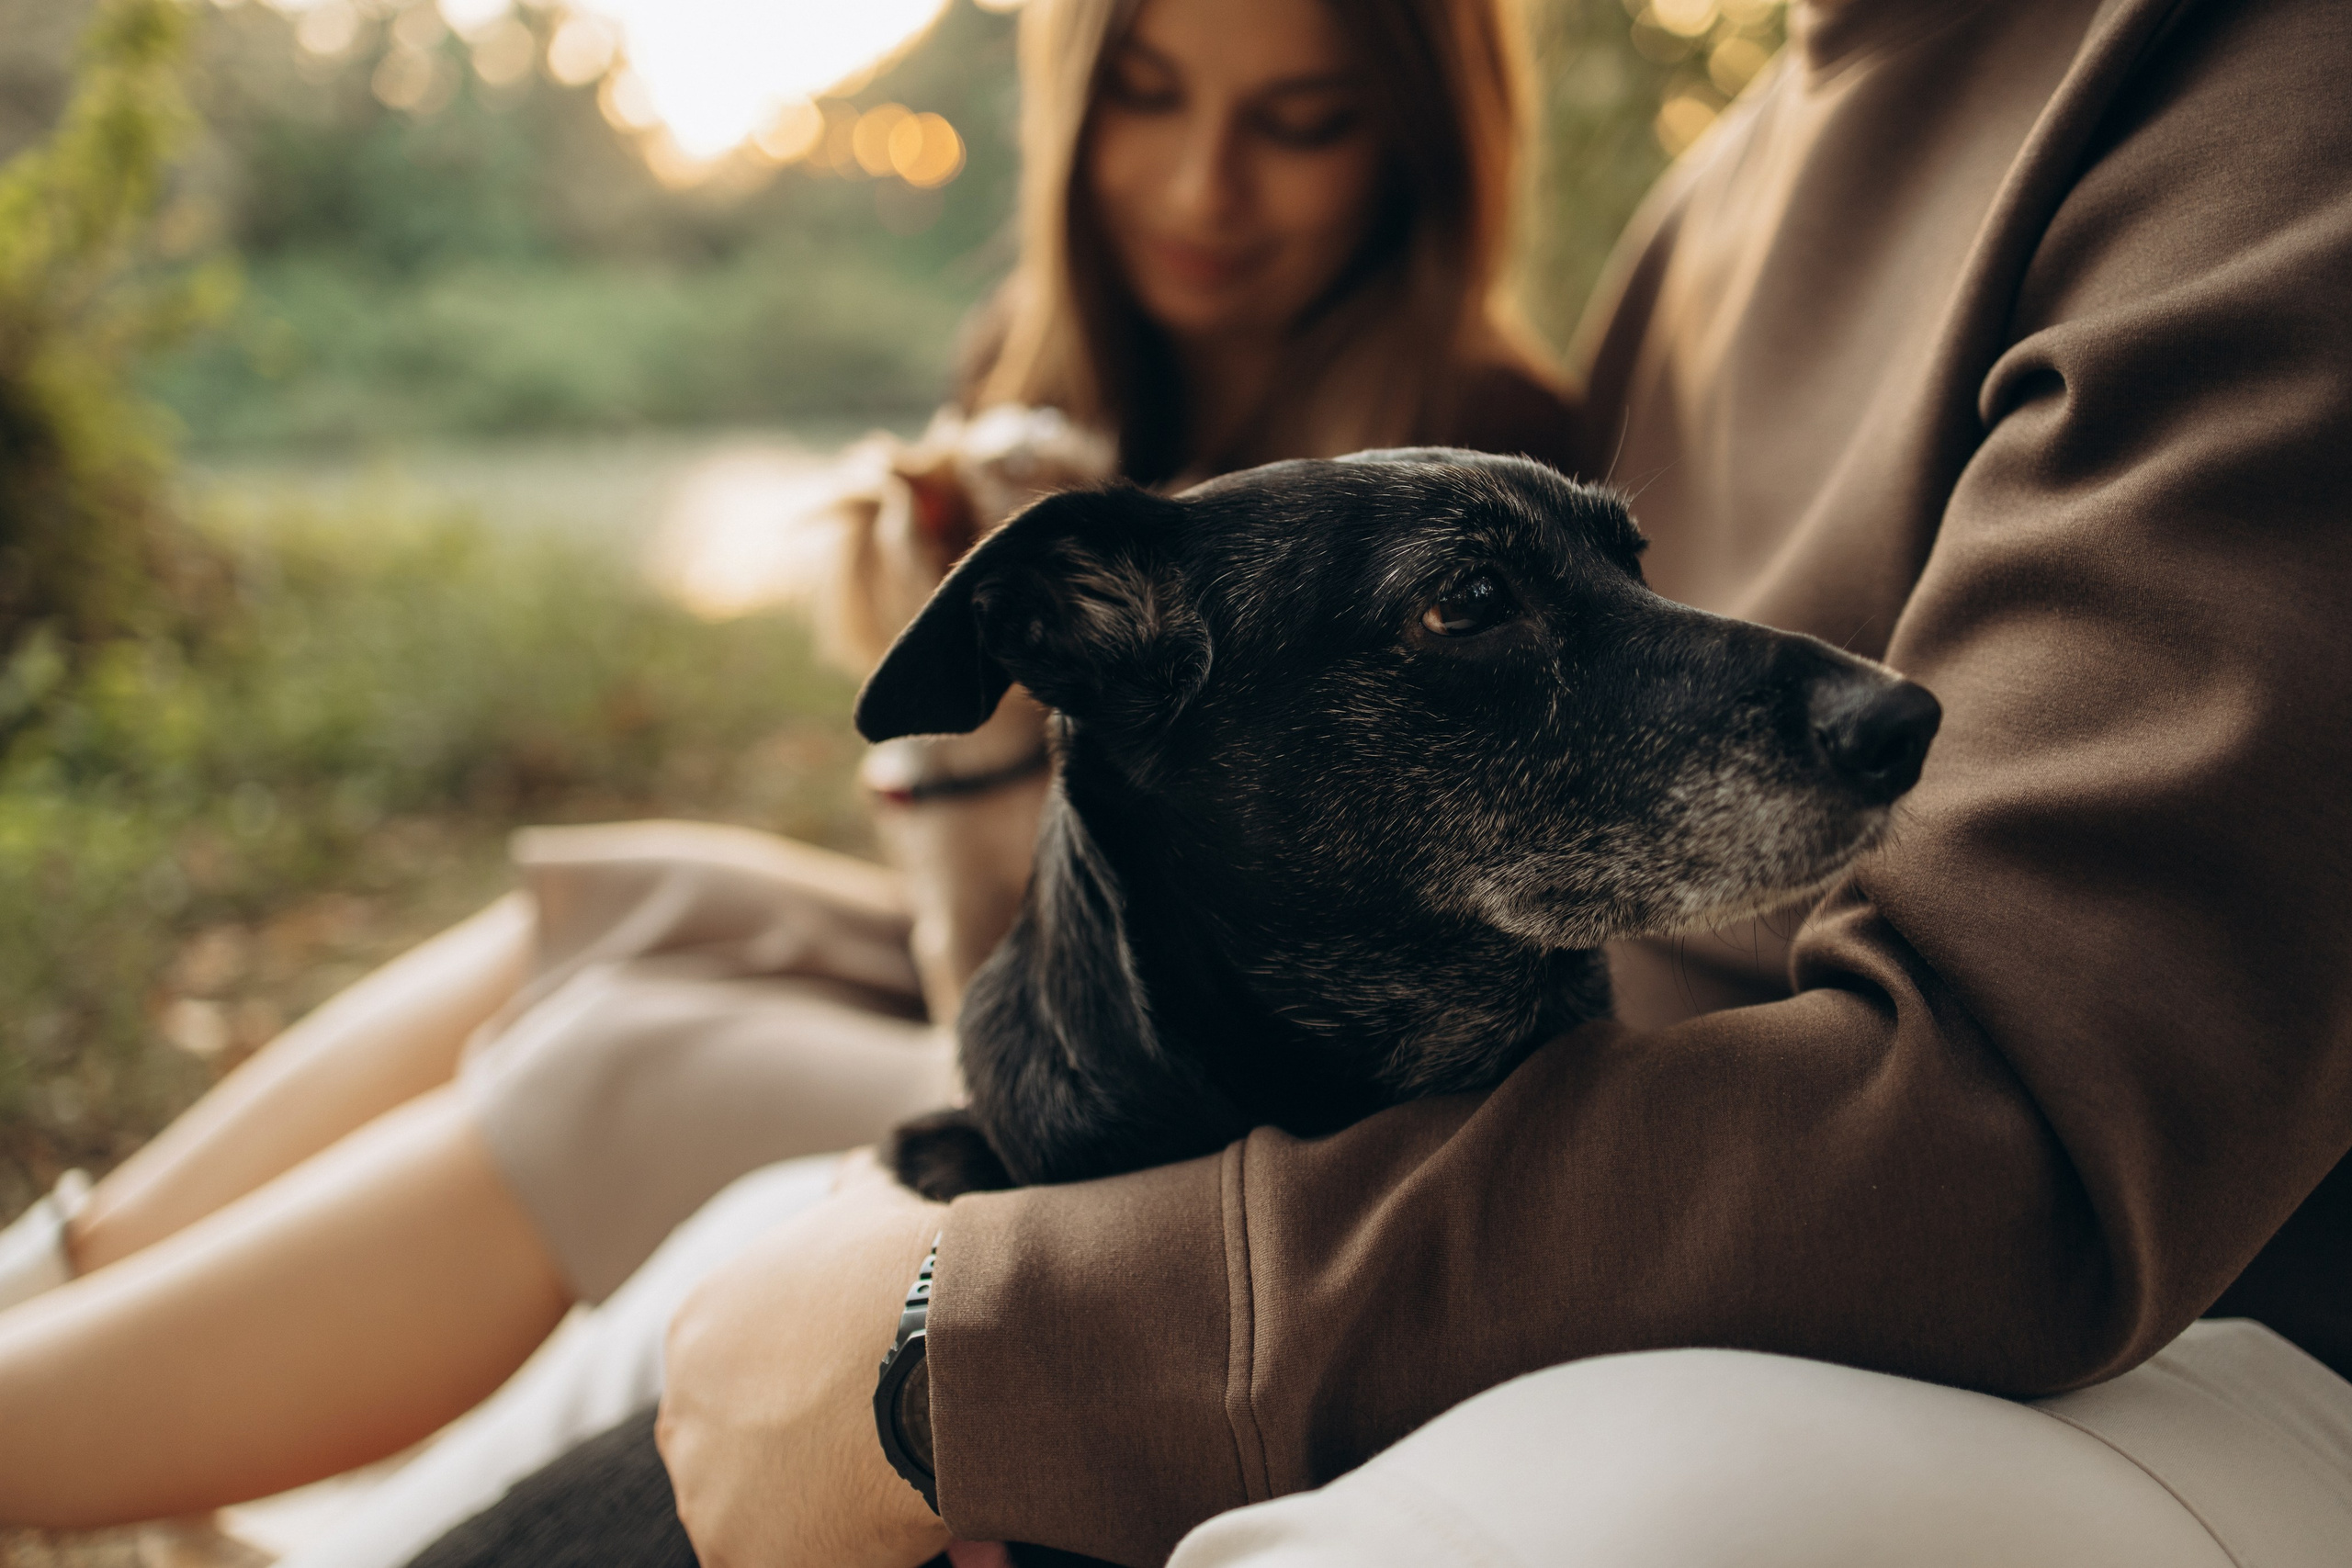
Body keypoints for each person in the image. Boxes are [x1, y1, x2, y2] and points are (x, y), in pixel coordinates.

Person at [648, 0, 2352, 1564]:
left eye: (1297, 115)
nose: (1204, 185)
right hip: (1594, 1195)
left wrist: (987, 1346)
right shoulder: (1726, 172)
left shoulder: (2269, 102)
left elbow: (2022, 1142)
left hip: (2151, 1346)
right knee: (696, 1232)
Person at [0, 0, 1573, 1534]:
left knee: (617, 1060)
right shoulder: (1066, 357)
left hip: (1220, 1125)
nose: (1198, 185)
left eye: (1298, 123)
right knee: (615, 902)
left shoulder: (1473, 473)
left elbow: (1063, 1011)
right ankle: (34, 1302)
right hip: (1026, 964)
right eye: (1147, 95)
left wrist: (971, 769)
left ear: (1422, 143)